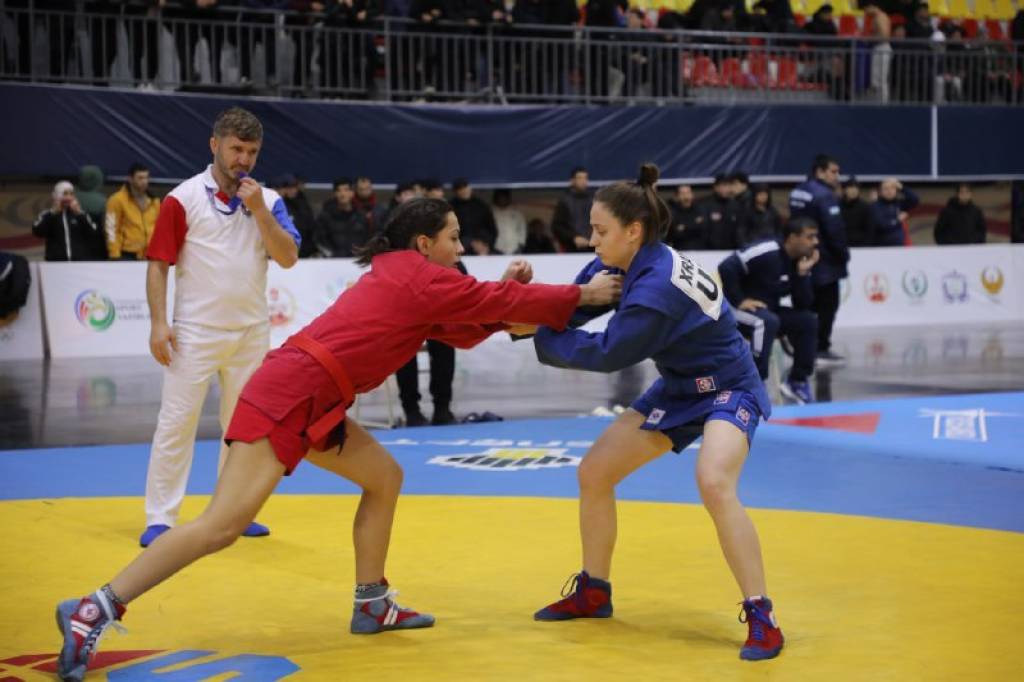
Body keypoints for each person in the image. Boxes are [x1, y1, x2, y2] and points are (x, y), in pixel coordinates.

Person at [53, 197, 623, 682]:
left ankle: (372, 602)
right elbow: (492, 306)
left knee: (384, 478)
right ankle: (94, 607)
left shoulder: (410, 276)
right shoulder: (419, 277)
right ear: (424, 243)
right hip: (293, 392)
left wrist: (510, 294)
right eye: (453, 239)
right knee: (220, 526)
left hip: (314, 395)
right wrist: (586, 296)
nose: (460, 249)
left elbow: (470, 327)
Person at [525, 164, 784, 661]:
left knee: (714, 481)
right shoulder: (622, 259)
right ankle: (594, 591)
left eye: (600, 231)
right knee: (595, 472)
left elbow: (607, 353)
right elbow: (575, 306)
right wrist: (521, 311)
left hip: (729, 387)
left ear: (633, 231)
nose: (591, 240)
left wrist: (534, 332)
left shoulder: (657, 286)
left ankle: (762, 614)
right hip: (680, 386)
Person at [138, 107, 301, 549]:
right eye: (235, 149)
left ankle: (234, 511)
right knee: (176, 423)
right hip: (194, 332)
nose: (243, 159)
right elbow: (158, 265)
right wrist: (159, 324)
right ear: (215, 145)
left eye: (251, 151)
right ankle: (160, 517)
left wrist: (259, 211)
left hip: (251, 332)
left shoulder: (269, 200)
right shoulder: (182, 198)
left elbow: (288, 258)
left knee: (244, 429)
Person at [719, 218, 820, 404]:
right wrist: (740, 300)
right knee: (766, 322)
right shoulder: (767, 250)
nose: (815, 242)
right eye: (810, 237)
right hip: (732, 309)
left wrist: (802, 274)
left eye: (816, 237)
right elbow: (727, 267)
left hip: (766, 310)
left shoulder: (799, 262)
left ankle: (797, 381)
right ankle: (755, 383)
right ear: (792, 238)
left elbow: (803, 304)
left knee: (808, 320)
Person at [789, 154, 848, 369]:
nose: (837, 176)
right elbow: (834, 230)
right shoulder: (824, 195)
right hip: (824, 261)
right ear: (820, 171)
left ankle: (803, 347)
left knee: (805, 303)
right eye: (833, 171)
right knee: (827, 305)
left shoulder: (798, 191)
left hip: (800, 256)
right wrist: (843, 254)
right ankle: (820, 348)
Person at [31, 181, 102, 261]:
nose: (68, 197)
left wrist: (79, 214)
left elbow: (93, 233)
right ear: (57, 195)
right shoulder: (47, 214)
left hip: (79, 261)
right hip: (56, 261)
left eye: (71, 194)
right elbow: (37, 232)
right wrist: (52, 213)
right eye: (65, 194)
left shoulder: (81, 214)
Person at [105, 162, 161, 261]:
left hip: (150, 254)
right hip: (126, 254)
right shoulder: (117, 200)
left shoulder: (154, 201)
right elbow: (111, 229)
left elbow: (159, 228)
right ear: (130, 179)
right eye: (140, 178)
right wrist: (114, 255)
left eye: (146, 177)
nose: (144, 181)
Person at [551, 166, 594, 252]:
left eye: (585, 178)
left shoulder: (593, 200)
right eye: (580, 178)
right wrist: (574, 238)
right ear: (572, 181)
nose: (583, 181)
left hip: (592, 248)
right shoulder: (564, 201)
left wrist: (592, 238)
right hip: (571, 249)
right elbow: (557, 226)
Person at [870, 178, 918, 246]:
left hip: (899, 246)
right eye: (886, 189)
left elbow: (915, 200)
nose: (889, 191)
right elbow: (882, 225)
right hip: (881, 246)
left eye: (892, 188)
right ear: (880, 192)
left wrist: (902, 187)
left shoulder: (899, 204)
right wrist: (897, 220)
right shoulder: (875, 206)